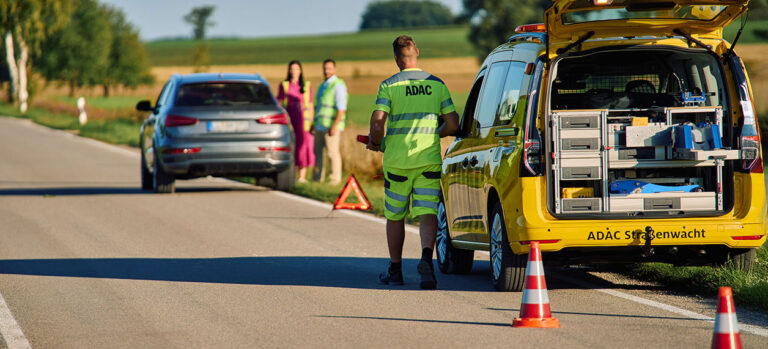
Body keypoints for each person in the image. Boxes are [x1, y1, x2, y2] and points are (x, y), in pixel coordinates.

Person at [366, 35, 459, 289]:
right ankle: (427, 259)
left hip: (397, 162)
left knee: (395, 215)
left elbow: (377, 123)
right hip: (428, 160)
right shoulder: (436, 84)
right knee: (427, 212)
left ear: (396, 58)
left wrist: (376, 141)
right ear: (416, 51)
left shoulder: (389, 85)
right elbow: (453, 123)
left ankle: (395, 271)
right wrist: (435, 133)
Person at [276, 60, 314, 182]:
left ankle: (302, 176)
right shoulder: (284, 85)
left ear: (300, 71)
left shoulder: (306, 86)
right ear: (288, 71)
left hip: (304, 122)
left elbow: (310, 105)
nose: (294, 71)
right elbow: (279, 103)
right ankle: (291, 173)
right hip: (290, 121)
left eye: (296, 69)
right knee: (292, 145)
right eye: (292, 69)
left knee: (303, 146)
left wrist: (311, 122)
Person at [312, 59, 348, 185]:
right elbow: (319, 107)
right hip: (320, 125)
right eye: (325, 68)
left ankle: (335, 179)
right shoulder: (323, 86)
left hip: (331, 126)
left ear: (334, 69)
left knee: (332, 153)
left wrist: (334, 126)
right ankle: (317, 179)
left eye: (329, 68)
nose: (326, 71)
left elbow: (341, 108)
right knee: (318, 153)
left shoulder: (338, 85)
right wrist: (314, 124)